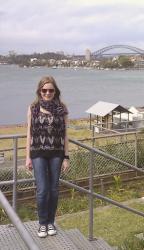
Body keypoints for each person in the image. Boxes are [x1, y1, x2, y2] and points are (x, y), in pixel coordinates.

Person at [26, 76, 69, 238]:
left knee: (54, 190)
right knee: (43, 190)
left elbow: (65, 135)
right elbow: (29, 133)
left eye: (51, 90)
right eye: (44, 90)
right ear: (39, 91)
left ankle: (51, 222)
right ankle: (42, 223)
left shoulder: (62, 109)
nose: (47, 93)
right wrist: (27, 157)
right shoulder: (33, 108)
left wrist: (66, 157)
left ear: (55, 91)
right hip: (37, 153)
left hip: (56, 154)